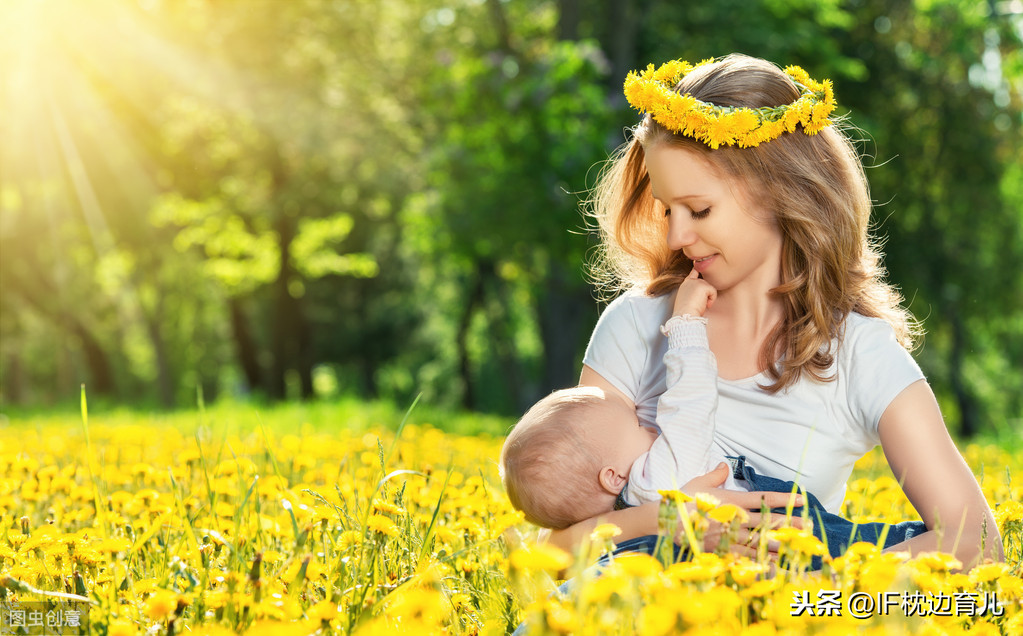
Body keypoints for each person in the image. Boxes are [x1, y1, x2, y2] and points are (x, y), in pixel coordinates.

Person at [549, 53, 1002, 569]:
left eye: (699, 210)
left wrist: (806, 597)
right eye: (667, 209)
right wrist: (670, 520)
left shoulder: (859, 356)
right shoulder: (637, 324)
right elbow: (554, 551)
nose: (677, 236)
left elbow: (978, 546)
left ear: (781, 191)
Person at [502, 269, 926, 565]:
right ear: (612, 477)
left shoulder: (618, 522)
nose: (648, 422)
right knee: (865, 546)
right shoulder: (658, 476)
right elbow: (690, 405)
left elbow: (557, 549)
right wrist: (686, 326)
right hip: (782, 542)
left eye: (700, 209)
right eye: (636, 425)